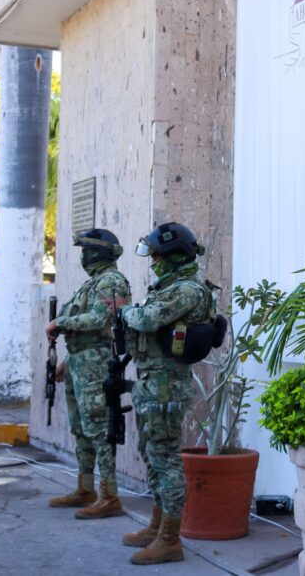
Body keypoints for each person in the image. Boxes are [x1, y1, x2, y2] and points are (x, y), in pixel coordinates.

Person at [105, 221, 212, 565]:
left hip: (167, 386)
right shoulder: (170, 286)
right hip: (153, 383)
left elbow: (148, 319)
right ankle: (156, 525)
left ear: (173, 255)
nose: (152, 262)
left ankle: (170, 539)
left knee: (166, 460)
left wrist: (124, 310)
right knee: (151, 454)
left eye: (156, 256)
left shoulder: (187, 290)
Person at [45, 229, 130, 519]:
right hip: (80, 361)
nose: (83, 256)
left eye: (87, 251)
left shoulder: (112, 281)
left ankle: (109, 495)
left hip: (95, 363)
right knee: (80, 427)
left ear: (100, 253)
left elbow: (99, 320)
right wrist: (67, 361)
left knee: (98, 427)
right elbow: (84, 329)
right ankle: (85, 487)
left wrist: (61, 321)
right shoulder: (93, 283)